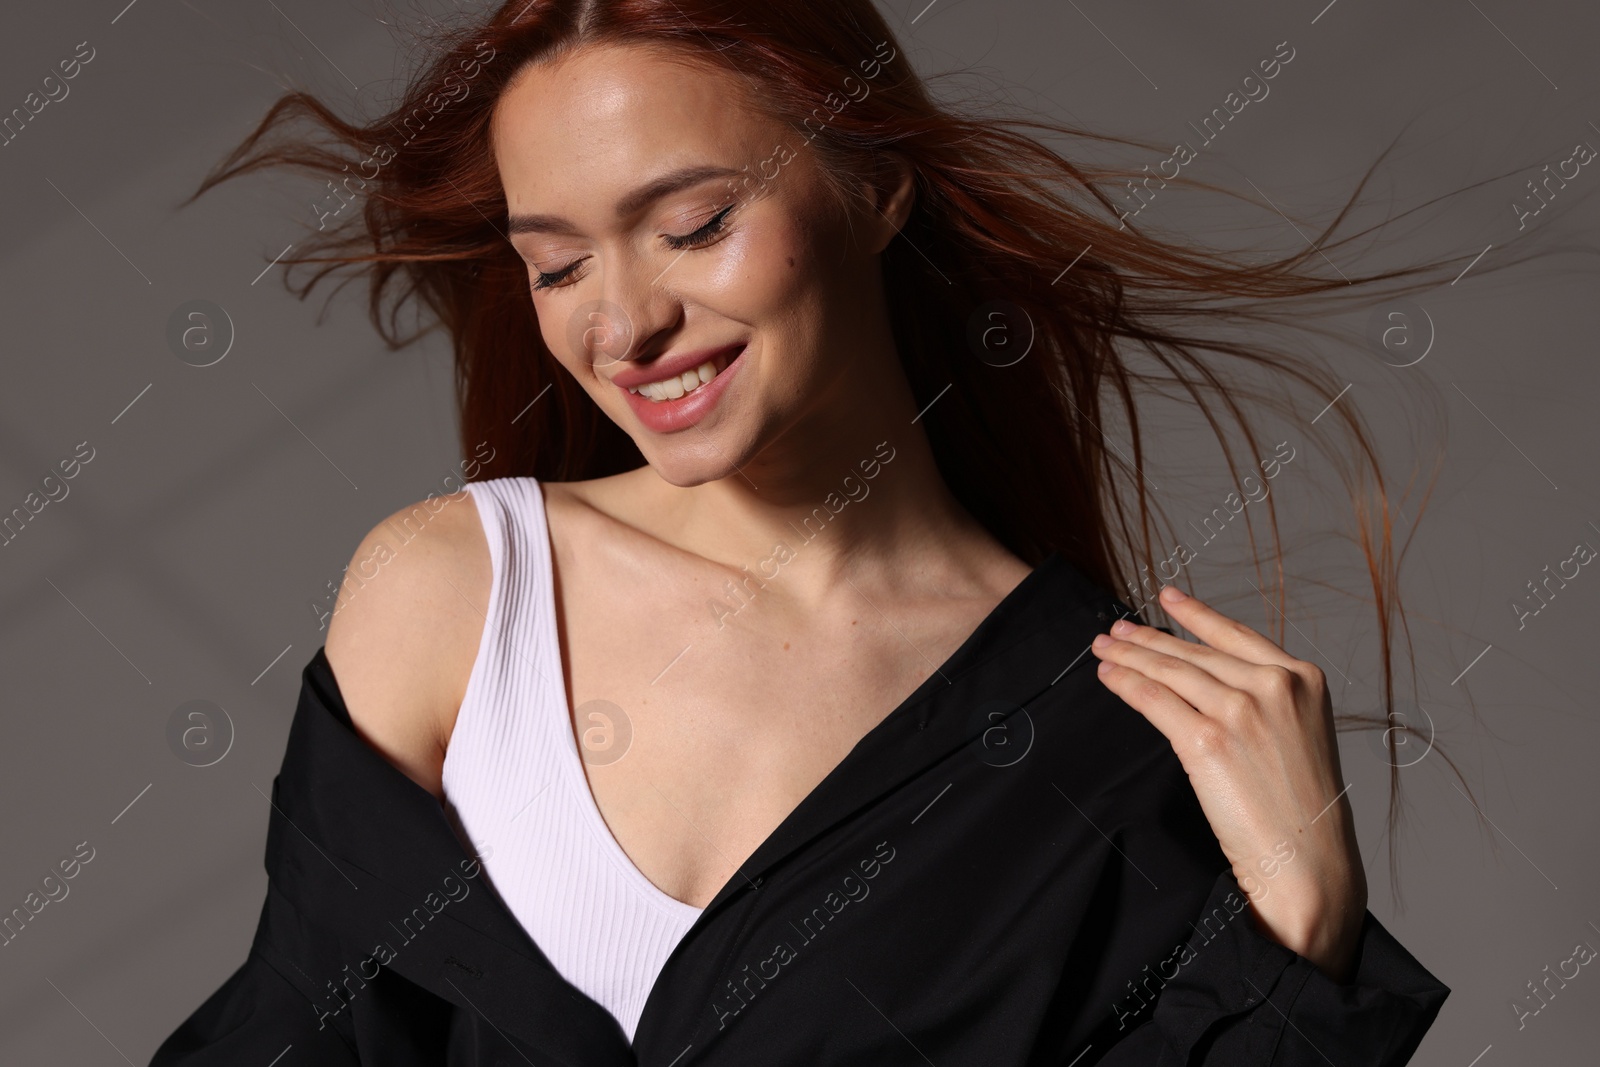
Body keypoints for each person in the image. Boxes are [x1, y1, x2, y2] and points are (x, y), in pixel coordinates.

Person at [152, 1, 1508, 1062]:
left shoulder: (1105, 730)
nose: (621, 326)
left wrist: (1300, 933)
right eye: (556, 264)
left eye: (693, 225)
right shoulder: (457, 594)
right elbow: (294, 1035)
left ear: (874, 188)